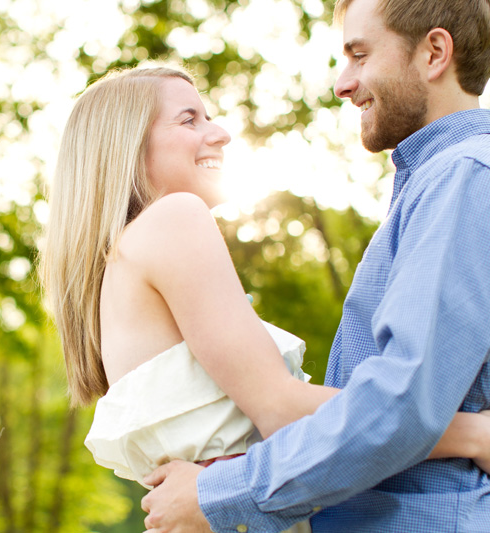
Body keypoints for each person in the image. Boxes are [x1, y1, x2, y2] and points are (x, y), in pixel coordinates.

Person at [39, 62, 490, 533]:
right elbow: (280, 408)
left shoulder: (126, 258)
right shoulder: (174, 219)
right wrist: (471, 434)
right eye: (189, 119)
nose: (221, 134)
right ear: (125, 147)